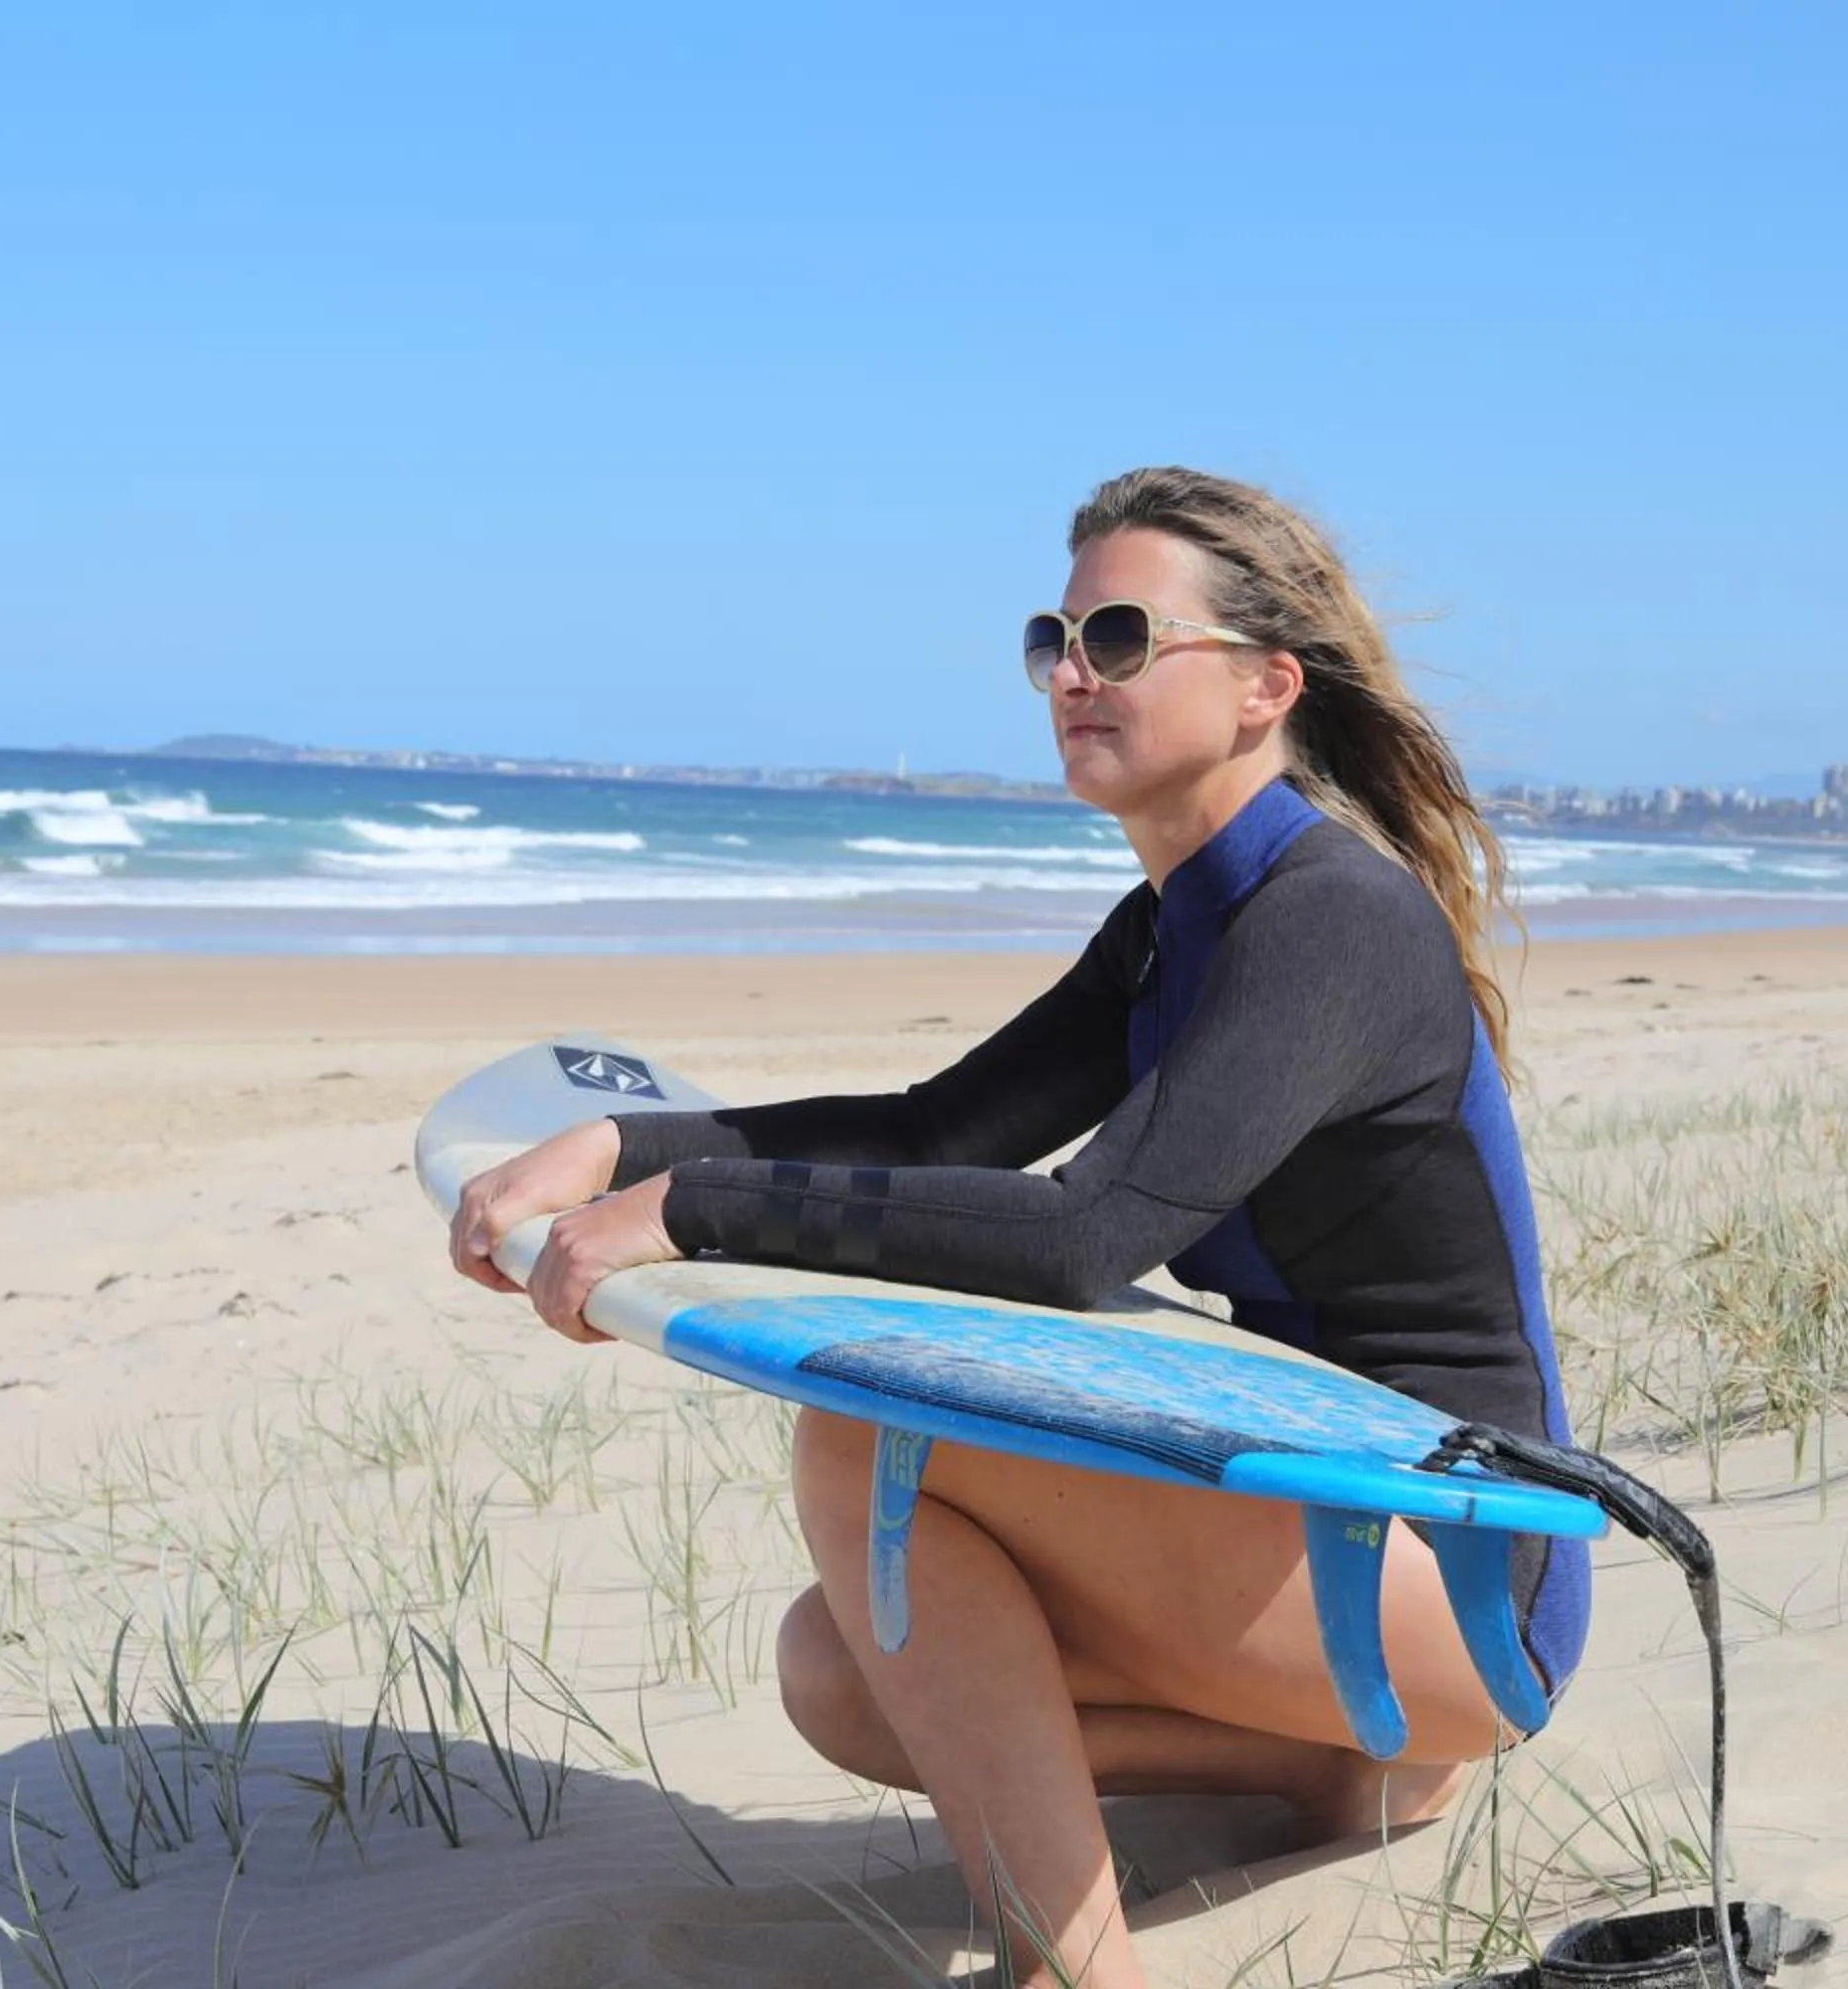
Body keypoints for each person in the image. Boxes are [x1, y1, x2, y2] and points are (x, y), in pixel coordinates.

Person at [448, 465, 1585, 1989]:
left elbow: (1082, 1232)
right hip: (1321, 1506)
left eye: (1119, 638)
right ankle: (1337, 1776)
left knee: (866, 1435)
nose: (1069, 673)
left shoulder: (1329, 920)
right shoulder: (1179, 925)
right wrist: (617, 1145)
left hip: (1463, 1571)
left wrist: (691, 1210)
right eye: (1054, 637)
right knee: (845, 1672)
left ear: (1264, 687)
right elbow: (936, 1133)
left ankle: (1072, 1968)